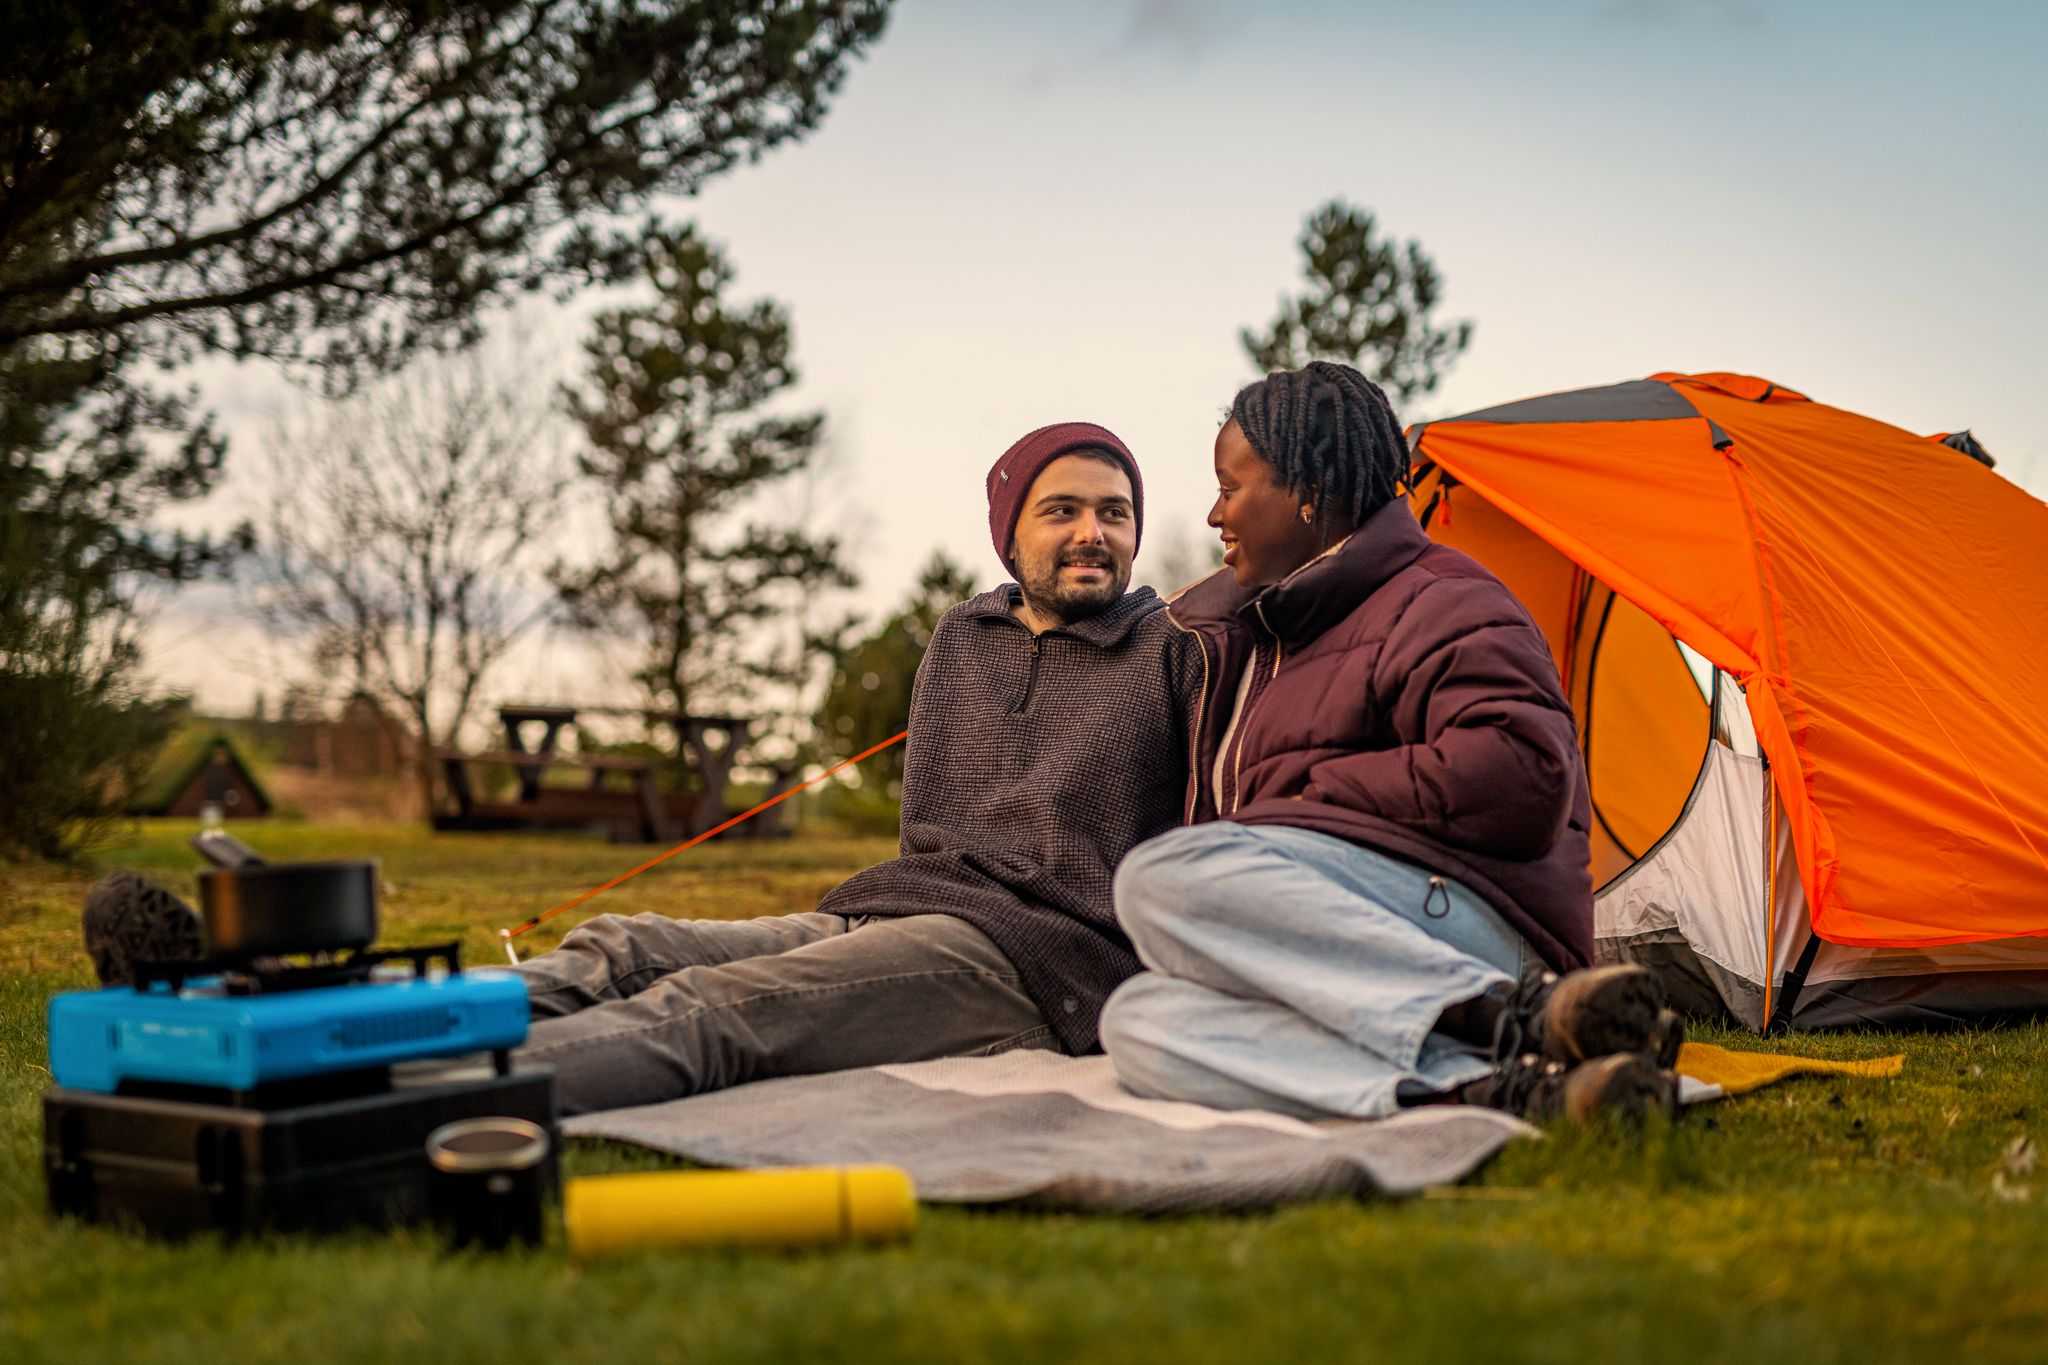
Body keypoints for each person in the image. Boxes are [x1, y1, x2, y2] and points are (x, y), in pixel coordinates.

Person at [508, 421, 1201, 1112]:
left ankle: (442, 1101)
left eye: (1116, 512)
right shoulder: (964, 634)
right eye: (1063, 510)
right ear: (1010, 535)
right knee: (627, 949)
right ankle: (409, 1022)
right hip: (899, 910)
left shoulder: (1173, 645)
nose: (1093, 531)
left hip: (1046, 961)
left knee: (718, 1008)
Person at [1098, 363, 1682, 1125]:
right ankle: (1505, 1085)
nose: (1215, 515)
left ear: (1307, 491)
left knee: (1157, 878)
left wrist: (1317, 794)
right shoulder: (1284, 636)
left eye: (1231, 486)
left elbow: (1524, 775)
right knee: (1139, 1021)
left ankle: (1524, 1011)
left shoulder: (1443, 595)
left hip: (1489, 926)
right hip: (1378, 940)